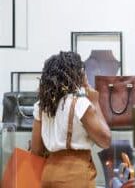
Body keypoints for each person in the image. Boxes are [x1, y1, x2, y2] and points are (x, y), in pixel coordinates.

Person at [31, 51, 111, 188]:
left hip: (47, 175)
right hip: (75, 176)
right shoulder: (80, 104)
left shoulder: (42, 106)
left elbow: (36, 150)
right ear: (78, 74)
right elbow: (105, 140)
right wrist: (95, 102)